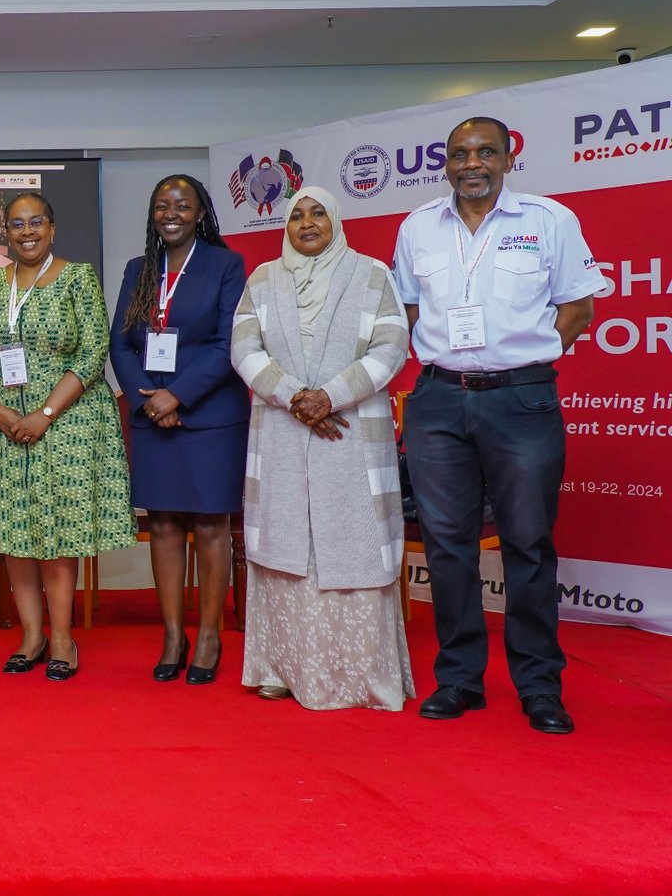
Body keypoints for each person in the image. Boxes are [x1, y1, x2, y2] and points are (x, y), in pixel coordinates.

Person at [392, 117, 606, 734]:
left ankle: (539, 684)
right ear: (446, 163)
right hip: (437, 400)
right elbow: (407, 307)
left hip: (521, 401)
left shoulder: (549, 220)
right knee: (446, 545)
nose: (472, 163)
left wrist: (529, 359)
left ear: (509, 158)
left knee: (528, 544)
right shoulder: (418, 227)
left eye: (486, 152)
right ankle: (458, 680)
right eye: (460, 154)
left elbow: (579, 307)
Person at [230, 187, 415, 710]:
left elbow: (392, 345)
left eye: (317, 214)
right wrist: (295, 399)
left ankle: (360, 679)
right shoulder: (262, 280)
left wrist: (330, 397)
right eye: (296, 216)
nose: (307, 223)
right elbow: (243, 347)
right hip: (283, 431)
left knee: (350, 542)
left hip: (351, 431)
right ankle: (279, 669)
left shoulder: (373, 275)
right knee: (287, 547)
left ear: (335, 220)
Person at [0, 192, 132, 680]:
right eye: (16, 224)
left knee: (57, 533)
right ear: (4, 232)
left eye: (35, 223)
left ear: (51, 227)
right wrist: (1, 413)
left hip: (67, 423)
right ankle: (31, 636)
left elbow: (92, 353)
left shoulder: (78, 278)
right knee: (13, 533)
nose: (26, 232)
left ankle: (64, 640)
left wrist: (44, 413)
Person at [111, 174, 249, 686]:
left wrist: (179, 395)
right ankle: (173, 635)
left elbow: (228, 341)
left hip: (211, 417)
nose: (171, 213)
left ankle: (208, 635)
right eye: (162, 205)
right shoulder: (138, 269)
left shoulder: (225, 265)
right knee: (165, 525)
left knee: (212, 526)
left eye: (182, 205)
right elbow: (121, 344)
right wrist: (150, 398)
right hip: (152, 417)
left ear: (200, 213)